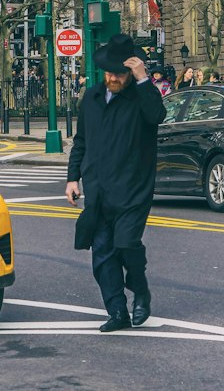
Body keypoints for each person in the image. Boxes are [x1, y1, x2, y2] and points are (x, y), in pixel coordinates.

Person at [65, 32, 165, 333]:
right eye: (109, 73)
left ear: (129, 73)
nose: (113, 78)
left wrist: (144, 79)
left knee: (126, 243)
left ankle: (141, 292)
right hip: (99, 189)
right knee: (103, 253)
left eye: (119, 74)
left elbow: (158, 115)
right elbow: (81, 141)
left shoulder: (141, 96)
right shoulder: (92, 99)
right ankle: (117, 311)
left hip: (133, 188)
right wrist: (73, 178)